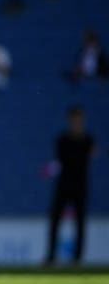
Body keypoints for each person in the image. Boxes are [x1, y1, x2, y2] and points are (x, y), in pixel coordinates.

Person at [46, 106, 95, 264]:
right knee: (55, 220)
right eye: (74, 120)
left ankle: (78, 258)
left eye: (78, 120)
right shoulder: (63, 139)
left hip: (80, 185)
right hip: (64, 185)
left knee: (80, 222)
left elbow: (85, 159)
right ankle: (51, 256)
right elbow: (67, 160)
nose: (76, 123)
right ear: (69, 121)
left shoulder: (88, 139)